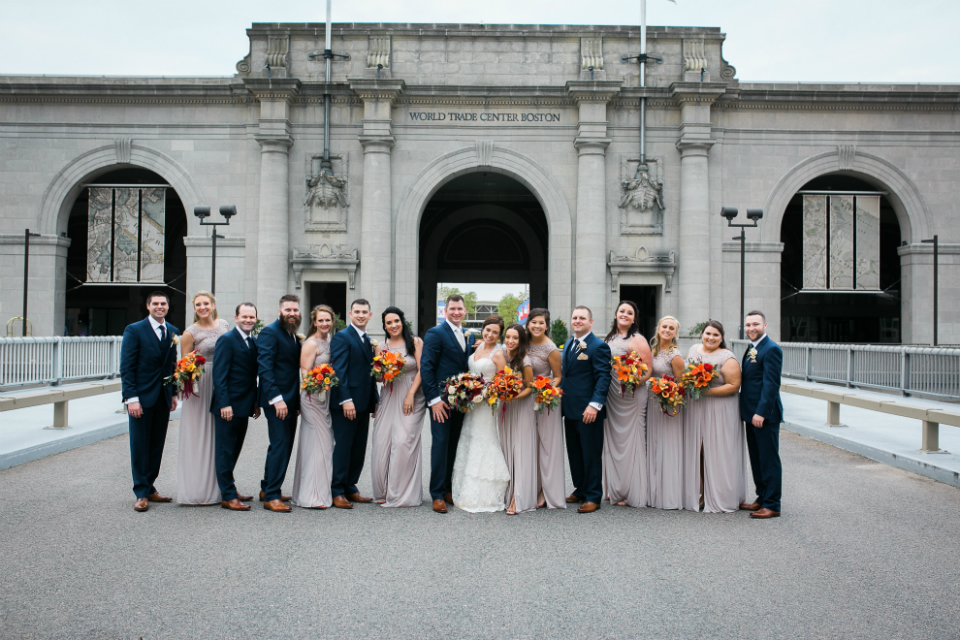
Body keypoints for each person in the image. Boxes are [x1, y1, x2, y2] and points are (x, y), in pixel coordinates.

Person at [682, 320, 751, 513]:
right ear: (702, 334)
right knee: (699, 450)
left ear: (721, 338)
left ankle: (722, 494)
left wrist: (707, 392)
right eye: (708, 334)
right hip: (697, 409)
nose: (711, 338)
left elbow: (733, 386)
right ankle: (702, 493)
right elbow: (687, 374)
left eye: (715, 335)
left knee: (719, 450)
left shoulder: (727, 358)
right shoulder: (694, 350)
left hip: (720, 409)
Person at [120, 291, 179, 512]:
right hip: (141, 398)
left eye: (163, 304)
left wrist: (173, 393)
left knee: (157, 445)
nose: (159, 307)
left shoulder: (172, 331)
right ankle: (141, 492)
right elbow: (127, 367)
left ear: (167, 306)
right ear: (148, 306)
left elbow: (172, 365)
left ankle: (151, 486)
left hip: (163, 398)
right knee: (139, 445)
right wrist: (131, 398)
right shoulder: (134, 330)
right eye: (155, 304)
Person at [420, 294, 474, 514]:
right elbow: (427, 368)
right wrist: (433, 400)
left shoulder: (467, 335)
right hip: (441, 402)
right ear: (445, 311)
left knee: (454, 445)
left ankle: (449, 488)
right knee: (440, 445)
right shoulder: (435, 333)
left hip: (460, 402)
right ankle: (437, 494)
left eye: (460, 309)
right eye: (452, 309)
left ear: (464, 311)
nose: (456, 312)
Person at [451, 315, 510, 512]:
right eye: (488, 330)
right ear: (483, 329)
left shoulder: (498, 354)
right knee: (471, 440)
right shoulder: (476, 348)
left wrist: (486, 392)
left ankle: (487, 492)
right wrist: (467, 388)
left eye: (495, 332)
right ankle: (466, 488)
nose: (490, 334)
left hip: (488, 404)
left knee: (486, 440)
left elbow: (503, 383)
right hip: (473, 404)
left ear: (499, 335)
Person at [371, 306, 426, 508]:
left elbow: (422, 370)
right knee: (381, 442)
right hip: (389, 394)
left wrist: (411, 394)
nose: (393, 325)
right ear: (384, 326)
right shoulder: (381, 347)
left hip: (412, 395)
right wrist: (384, 370)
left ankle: (402, 493)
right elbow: (377, 377)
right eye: (389, 323)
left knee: (403, 442)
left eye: (396, 321)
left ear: (402, 321)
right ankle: (383, 491)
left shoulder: (416, 342)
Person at [177, 291, 229, 506]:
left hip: (222, 381)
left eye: (206, 303)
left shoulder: (224, 325)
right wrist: (191, 380)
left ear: (213, 304)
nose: (202, 307)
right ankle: (197, 489)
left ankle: (221, 486)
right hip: (201, 384)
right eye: (198, 304)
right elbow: (183, 365)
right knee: (198, 433)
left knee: (220, 436)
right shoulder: (190, 333)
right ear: (194, 308)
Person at [561, 306, 612, 514]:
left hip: (589, 410)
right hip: (570, 408)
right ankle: (580, 489)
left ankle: (593, 496)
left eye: (582, 318)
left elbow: (603, 377)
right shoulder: (567, 344)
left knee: (591, 454)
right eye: (575, 317)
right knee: (574, 453)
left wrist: (595, 405)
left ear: (591, 322)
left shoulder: (598, 346)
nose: (578, 321)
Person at [210, 302, 261, 511]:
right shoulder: (226, 340)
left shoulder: (254, 342)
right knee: (225, 450)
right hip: (228, 406)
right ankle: (228, 496)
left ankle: (230, 487)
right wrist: (225, 404)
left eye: (252, 317)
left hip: (245, 404)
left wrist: (256, 403)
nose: (248, 320)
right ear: (236, 318)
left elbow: (253, 376)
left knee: (235, 449)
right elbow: (219, 375)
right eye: (245, 316)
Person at [602, 301, 653, 508]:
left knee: (632, 439)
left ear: (634, 318)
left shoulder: (637, 339)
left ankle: (632, 489)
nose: (625, 314)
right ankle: (616, 487)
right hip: (612, 395)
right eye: (622, 311)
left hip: (631, 395)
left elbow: (648, 370)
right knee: (614, 439)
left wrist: (632, 382)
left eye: (629, 313)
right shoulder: (610, 338)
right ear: (615, 315)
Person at [329, 298, 379, 509]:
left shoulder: (367, 340)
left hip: (363, 402)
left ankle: (351, 486)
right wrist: (346, 399)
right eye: (357, 311)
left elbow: (370, 373)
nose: (360, 315)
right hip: (346, 403)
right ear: (350, 314)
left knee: (358, 447)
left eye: (364, 312)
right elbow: (339, 370)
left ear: (370, 315)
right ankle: (337, 490)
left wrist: (374, 400)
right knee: (343, 447)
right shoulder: (342, 337)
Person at [257, 294, 303, 513]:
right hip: (277, 401)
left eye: (295, 310)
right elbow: (265, 368)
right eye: (288, 310)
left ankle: (267, 488)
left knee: (282, 445)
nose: (292, 314)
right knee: (280, 445)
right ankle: (272, 497)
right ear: (280, 311)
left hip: (291, 400)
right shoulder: (269, 333)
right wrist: (277, 400)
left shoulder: (292, 335)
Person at [739, 310, 785, 519]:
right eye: (748, 325)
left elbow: (771, 385)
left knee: (768, 460)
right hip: (751, 414)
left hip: (763, 415)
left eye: (755, 324)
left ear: (765, 326)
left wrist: (761, 413)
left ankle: (772, 504)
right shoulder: (753, 348)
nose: (751, 328)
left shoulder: (771, 349)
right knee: (756, 459)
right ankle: (761, 498)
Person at [291, 304, 337, 509]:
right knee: (319, 444)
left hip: (325, 396)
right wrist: (321, 383)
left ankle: (319, 489)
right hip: (312, 398)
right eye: (321, 320)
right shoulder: (310, 343)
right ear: (314, 322)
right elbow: (305, 372)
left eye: (328, 320)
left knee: (323, 445)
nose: (325, 323)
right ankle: (312, 496)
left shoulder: (329, 340)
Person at [493, 323, 537, 515]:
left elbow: (530, 387)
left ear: (521, 340)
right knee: (506, 449)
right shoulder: (501, 354)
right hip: (505, 408)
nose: (510, 341)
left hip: (521, 407)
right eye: (508, 337)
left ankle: (517, 498)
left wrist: (513, 397)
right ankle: (506, 493)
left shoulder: (524, 360)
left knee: (520, 451)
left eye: (515, 338)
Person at [525, 309, 565, 509]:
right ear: (528, 324)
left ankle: (546, 491)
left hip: (546, 399)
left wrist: (547, 390)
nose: (537, 326)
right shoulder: (524, 344)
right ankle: (530, 487)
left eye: (541, 323)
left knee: (547, 445)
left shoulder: (551, 349)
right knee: (529, 443)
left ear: (546, 326)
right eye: (533, 322)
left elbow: (557, 376)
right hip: (525, 399)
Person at [646, 316, 685, 510]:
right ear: (658, 328)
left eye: (671, 328)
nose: (667, 330)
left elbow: (681, 383)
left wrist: (667, 391)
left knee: (666, 444)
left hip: (667, 403)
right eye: (664, 326)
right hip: (651, 403)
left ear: (675, 332)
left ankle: (668, 492)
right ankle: (652, 490)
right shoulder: (652, 351)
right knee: (652, 444)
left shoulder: (674, 355)